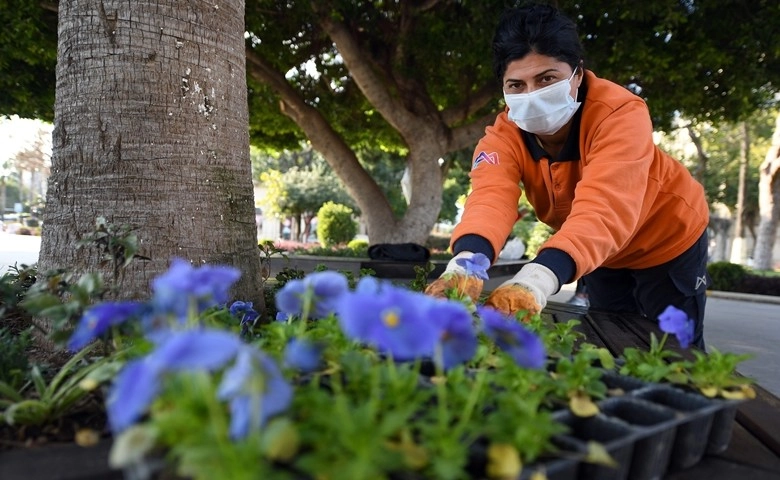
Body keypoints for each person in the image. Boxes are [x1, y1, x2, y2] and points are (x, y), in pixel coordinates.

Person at [425, 3, 710, 349]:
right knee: (612, 341)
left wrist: (538, 277)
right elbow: (490, 197)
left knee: (677, 352)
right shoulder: (502, 135)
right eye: (516, 84)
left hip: (668, 241)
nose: (532, 96)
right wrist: (466, 264)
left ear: (577, 74)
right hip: (598, 253)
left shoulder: (620, 116)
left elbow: (604, 208)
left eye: (546, 79)